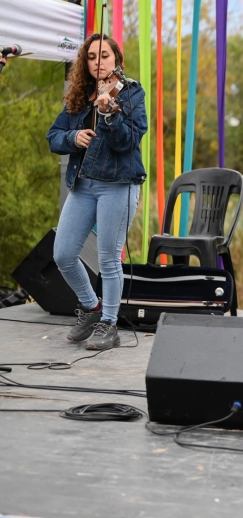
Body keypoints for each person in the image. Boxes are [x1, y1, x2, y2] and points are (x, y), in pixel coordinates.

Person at [47, 33, 147, 350]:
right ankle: (92, 308)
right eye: (91, 57)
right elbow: (53, 136)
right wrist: (73, 138)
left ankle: (110, 323)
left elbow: (127, 142)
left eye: (104, 55)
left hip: (118, 185)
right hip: (84, 185)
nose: (98, 62)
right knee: (62, 254)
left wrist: (109, 114)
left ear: (116, 58)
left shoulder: (130, 93)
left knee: (108, 259)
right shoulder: (79, 97)